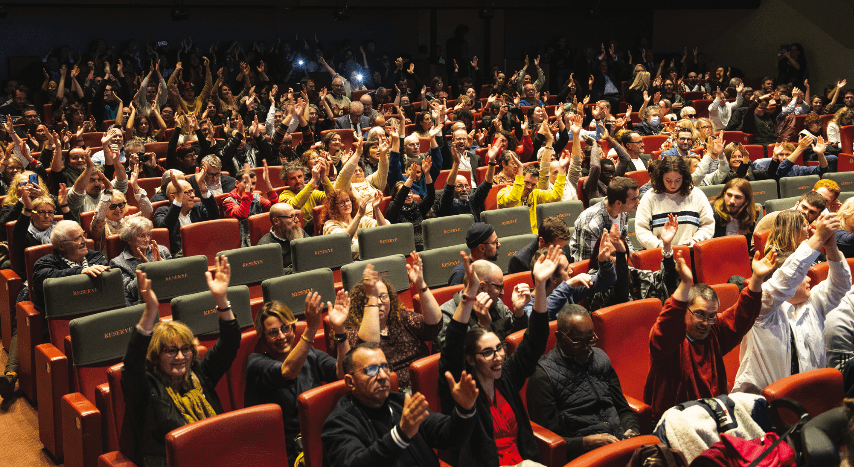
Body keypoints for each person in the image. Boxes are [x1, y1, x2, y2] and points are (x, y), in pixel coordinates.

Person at [437, 248, 555, 467]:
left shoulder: (506, 376)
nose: (499, 357)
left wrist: (539, 286)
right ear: (471, 359)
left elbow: (535, 341)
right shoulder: (461, 388)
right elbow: (452, 348)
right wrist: (469, 296)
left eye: (499, 348)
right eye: (487, 352)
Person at [121, 257, 238, 466]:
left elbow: (229, 345)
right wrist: (150, 312)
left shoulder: (200, 374)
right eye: (171, 351)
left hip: (214, 454)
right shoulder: (146, 388)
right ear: (156, 355)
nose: (181, 357)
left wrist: (221, 299)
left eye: (186, 349)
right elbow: (132, 363)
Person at [644, 248, 777, 420]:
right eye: (699, 314)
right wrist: (684, 285)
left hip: (716, 417)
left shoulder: (714, 332)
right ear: (684, 309)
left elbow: (740, 316)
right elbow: (666, 327)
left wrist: (757, 279)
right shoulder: (670, 342)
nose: (706, 323)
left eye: (712, 316)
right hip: (679, 423)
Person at [733, 213, 850, 394]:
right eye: (802, 275)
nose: (809, 278)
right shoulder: (761, 308)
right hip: (762, 407)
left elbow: (841, 284)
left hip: (809, 399)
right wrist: (818, 237)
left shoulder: (813, 303)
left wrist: (831, 247)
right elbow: (785, 279)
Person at [1, 220, 110, 403]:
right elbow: (45, 279)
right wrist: (80, 272)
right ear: (61, 246)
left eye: (83, 235)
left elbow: (106, 273)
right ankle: (11, 375)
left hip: (92, 316)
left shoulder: (95, 257)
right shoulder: (45, 263)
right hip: (55, 322)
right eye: (77, 238)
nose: (84, 240)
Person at [320, 342, 479, 467]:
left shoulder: (401, 402)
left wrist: (464, 410)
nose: (382, 376)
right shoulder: (338, 424)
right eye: (371, 370)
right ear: (350, 381)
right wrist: (401, 434)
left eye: (384, 367)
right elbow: (355, 464)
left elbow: (449, 437)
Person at [246, 289, 350, 467]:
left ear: (293, 329)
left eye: (286, 328)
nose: (281, 336)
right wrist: (311, 329)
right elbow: (287, 371)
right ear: (263, 339)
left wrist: (340, 330)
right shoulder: (256, 363)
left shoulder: (311, 355)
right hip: (284, 452)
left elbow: (343, 373)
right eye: (273, 332)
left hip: (321, 438)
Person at [527, 304, 640, 461]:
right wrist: (585, 443)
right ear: (560, 337)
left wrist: (631, 429)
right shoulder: (542, 376)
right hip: (584, 455)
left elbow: (623, 408)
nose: (588, 347)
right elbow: (548, 441)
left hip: (620, 443)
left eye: (591, 339)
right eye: (580, 342)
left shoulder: (600, 358)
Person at [344, 255, 442, 390]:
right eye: (372, 297)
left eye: (383, 296)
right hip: (391, 393)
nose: (378, 302)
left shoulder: (400, 318)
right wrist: (371, 296)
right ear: (362, 304)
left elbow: (434, 327)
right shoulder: (353, 331)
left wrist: (421, 286)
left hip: (428, 382)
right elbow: (369, 346)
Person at [436, 260, 530, 351]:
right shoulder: (446, 315)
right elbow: (455, 358)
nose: (502, 293)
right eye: (499, 287)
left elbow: (516, 342)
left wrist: (519, 313)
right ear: (481, 287)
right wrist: (483, 326)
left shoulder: (497, 304)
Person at [522, 236, 617, 319]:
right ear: (553, 278)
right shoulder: (527, 304)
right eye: (566, 269)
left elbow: (607, 280)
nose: (571, 271)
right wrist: (567, 286)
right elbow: (537, 318)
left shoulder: (569, 289)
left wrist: (604, 262)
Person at [635, 155, 715, 249]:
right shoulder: (649, 197)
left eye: (678, 180)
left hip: (691, 251)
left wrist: (696, 240)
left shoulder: (696, 194)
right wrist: (660, 245)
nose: (673, 185)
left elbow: (708, 224)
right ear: (661, 178)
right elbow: (641, 229)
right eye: (668, 180)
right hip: (659, 253)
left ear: (684, 178)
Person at [497, 144, 568, 235]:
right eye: (526, 182)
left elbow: (556, 196)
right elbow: (513, 198)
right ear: (519, 179)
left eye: (533, 184)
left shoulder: (535, 193)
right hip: (513, 238)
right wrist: (520, 168)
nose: (529, 187)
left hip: (533, 236)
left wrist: (561, 169)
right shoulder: (503, 192)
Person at [571, 176, 639, 262]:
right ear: (618, 203)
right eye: (634, 199)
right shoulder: (592, 224)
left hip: (614, 261)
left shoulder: (623, 213)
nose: (638, 202)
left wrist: (638, 261)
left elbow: (625, 241)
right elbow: (588, 263)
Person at [152, 170, 219, 255]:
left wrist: (203, 190)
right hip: (179, 257)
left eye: (192, 191)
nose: (193, 196)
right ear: (173, 197)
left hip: (202, 252)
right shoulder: (162, 212)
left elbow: (214, 215)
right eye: (187, 192)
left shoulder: (198, 208)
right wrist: (178, 200)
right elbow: (165, 230)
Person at [110, 217, 172, 306]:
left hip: (167, 297)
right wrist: (145, 269)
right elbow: (131, 293)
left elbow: (174, 280)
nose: (147, 239)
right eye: (142, 236)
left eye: (148, 235)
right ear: (129, 239)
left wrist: (162, 264)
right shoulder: (118, 263)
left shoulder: (161, 251)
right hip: (143, 305)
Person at [437, 143, 498, 222]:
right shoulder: (446, 204)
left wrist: (492, 161)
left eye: (467, 186)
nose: (464, 189)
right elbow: (449, 188)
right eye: (460, 186)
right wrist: (456, 164)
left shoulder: (472, 201)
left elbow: (487, 184)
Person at [322, 188, 388, 259]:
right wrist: (359, 215)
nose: (346, 204)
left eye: (347, 200)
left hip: (370, 257)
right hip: (348, 263)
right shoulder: (329, 224)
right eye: (341, 202)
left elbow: (384, 231)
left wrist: (376, 208)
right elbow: (343, 240)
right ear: (333, 206)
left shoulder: (362, 219)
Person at [222, 163, 276, 247]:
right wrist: (247, 192)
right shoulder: (228, 201)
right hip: (240, 244)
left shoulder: (256, 197)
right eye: (246, 183)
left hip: (258, 239)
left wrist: (268, 183)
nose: (251, 187)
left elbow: (275, 210)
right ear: (236, 183)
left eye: (253, 183)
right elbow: (242, 214)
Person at [385, 174, 434, 251]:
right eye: (405, 192)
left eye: (410, 191)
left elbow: (431, 197)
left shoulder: (418, 207)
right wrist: (411, 178)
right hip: (406, 249)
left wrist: (427, 174)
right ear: (395, 197)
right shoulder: (393, 210)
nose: (409, 195)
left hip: (426, 246)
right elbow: (399, 201)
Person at [258, 203, 307, 273]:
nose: (297, 220)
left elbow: (313, 251)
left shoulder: (299, 232)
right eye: (291, 217)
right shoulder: (266, 245)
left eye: (296, 216)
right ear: (276, 221)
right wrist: (302, 270)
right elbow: (272, 271)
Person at [753, 190, 826, 234]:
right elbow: (754, 248)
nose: (806, 213)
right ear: (797, 204)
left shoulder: (813, 228)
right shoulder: (774, 218)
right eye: (804, 207)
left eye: (812, 212)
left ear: (817, 215)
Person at [711, 178, 757, 248]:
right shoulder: (713, 213)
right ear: (724, 195)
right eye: (729, 195)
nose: (732, 201)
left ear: (746, 200)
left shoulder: (751, 214)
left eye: (738, 197)